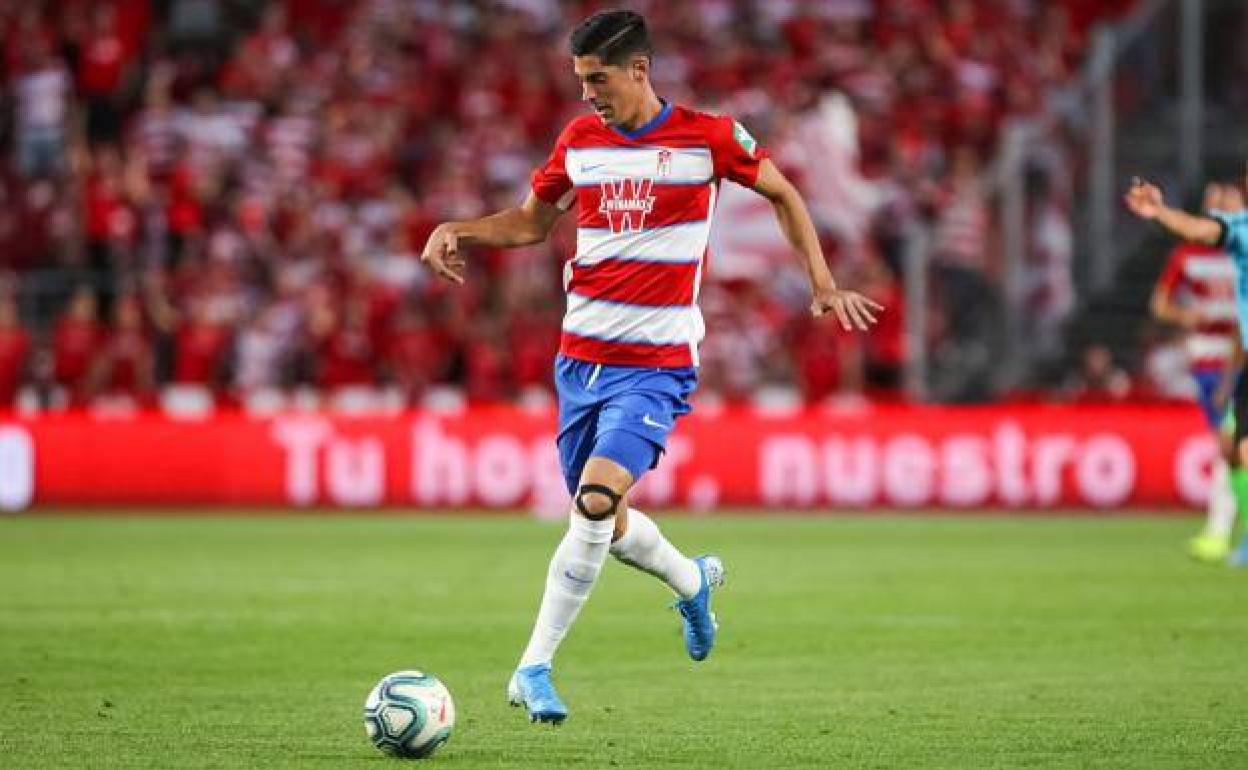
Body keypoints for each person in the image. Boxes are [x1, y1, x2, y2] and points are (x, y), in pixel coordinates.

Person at [420, 10, 882, 725]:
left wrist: (822, 284)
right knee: (607, 517)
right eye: (579, 81)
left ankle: (532, 668)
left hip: (657, 366)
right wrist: (460, 230)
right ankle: (691, 579)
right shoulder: (580, 141)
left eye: (596, 79)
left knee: (596, 502)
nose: (586, 95)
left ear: (639, 70)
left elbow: (785, 193)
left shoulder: (709, 137)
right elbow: (530, 222)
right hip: (579, 362)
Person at [1126, 176, 1248, 566]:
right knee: (1233, 449)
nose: (1218, 206)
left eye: (1224, 198)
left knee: (1230, 447)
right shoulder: (1228, 238)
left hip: (1234, 357)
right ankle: (1227, 533)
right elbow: (1161, 302)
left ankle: (1222, 532)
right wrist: (1159, 211)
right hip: (1217, 359)